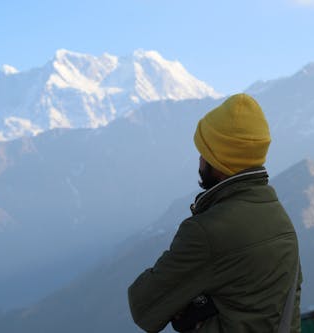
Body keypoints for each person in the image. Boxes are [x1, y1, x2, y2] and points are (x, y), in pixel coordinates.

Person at [128, 94, 302, 332]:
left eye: (204, 152)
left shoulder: (207, 231)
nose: (200, 160)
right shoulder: (279, 216)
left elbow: (142, 306)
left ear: (220, 161)